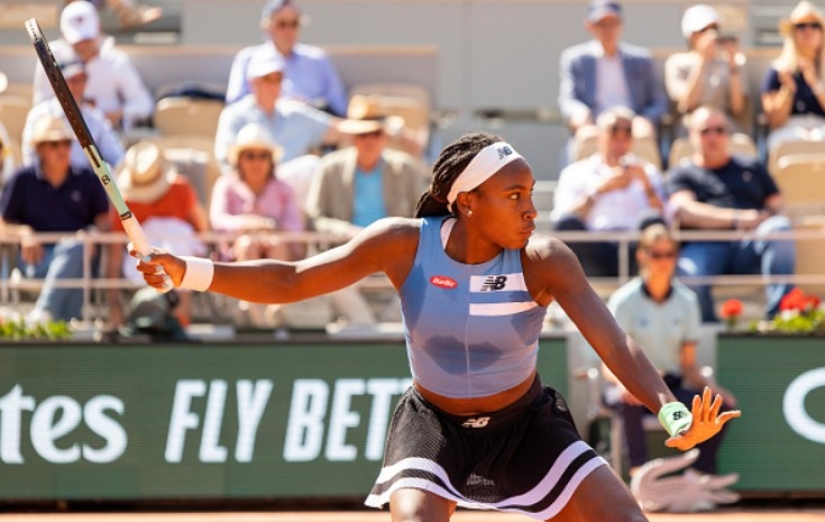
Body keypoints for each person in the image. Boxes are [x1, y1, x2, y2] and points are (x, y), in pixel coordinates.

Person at [135, 131, 740, 521]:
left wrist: (670, 410)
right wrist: (187, 269)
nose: (531, 208)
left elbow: (614, 340)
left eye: (531, 193)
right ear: (468, 201)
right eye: (515, 195)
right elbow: (292, 279)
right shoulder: (403, 245)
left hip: (527, 424)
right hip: (435, 427)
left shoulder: (545, 260)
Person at [605, 223, 738, 481]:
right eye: (656, 254)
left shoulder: (687, 301)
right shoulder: (624, 300)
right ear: (641, 255)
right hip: (631, 387)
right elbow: (608, 361)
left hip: (669, 389)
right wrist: (625, 384)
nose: (664, 261)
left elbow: (688, 365)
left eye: (669, 254)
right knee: (628, 399)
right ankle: (639, 478)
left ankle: (697, 478)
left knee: (720, 407)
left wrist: (712, 387)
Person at [667, 106, 796, 322]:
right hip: (705, 244)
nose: (713, 136)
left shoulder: (752, 166)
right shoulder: (682, 173)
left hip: (750, 243)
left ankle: (779, 320)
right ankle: (709, 331)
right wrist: (738, 219)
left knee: (780, 229)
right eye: (705, 130)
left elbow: (779, 207)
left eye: (719, 130)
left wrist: (767, 219)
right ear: (692, 135)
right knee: (689, 273)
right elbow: (685, 211)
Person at [0, 115, 109, 322]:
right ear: (40, 149)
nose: (62, 149)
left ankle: (44, 316)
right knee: (75, 263)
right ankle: (66, 329)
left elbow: (104, 220)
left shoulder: (87, 178)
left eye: (66, 143)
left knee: (77, 248)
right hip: (36, 264)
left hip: (80, 263)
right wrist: (24, 233)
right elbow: (2, 224)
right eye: (54, 144)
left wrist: (91, 235)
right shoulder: (22, 179)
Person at [551, 107, 667, 277]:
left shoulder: (648, 173)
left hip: (636, 250)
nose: (620, 138)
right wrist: (599, 191)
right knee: (569, 223)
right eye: (614, 131)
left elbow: (665, 220)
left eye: (627, 132)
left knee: (653, 221)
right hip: (594, 247)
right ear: (600, 136)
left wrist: (647, 186)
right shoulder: (575, 173)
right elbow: (562, 220)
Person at [210, 123, 305, 327]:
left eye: (263, 156)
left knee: (277, 243)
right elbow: (218, 221)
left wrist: (271, 230)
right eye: (250, 156)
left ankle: (277, 306)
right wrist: (252, 225)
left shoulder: (284, 188)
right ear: (239, 160)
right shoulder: (225, 184)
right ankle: (251, 309)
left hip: (279, 250)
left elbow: (295, 226)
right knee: (247, 244)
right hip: (235, 255)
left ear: (270, 161)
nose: (257, 162)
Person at [107, 141, 208, 328]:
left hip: (183, 259)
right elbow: (114, 256)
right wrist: (113, 302)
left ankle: (180, 321)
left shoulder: (181, 189)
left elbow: (203, 231)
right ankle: (149, 320)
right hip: (142, 268)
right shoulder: (124, 203)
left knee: (180, 243)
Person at [558, 0, 668, 161]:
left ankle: (647, 184)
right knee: (586, 137)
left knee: (644, 135)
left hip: (632, 125)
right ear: (589, 25)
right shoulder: (576, 59)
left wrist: (645, 118)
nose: (607, 29)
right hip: (596, 125)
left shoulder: (642, 60)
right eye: (601, 23)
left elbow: (659, 101)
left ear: (620, 24)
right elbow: (568, 99)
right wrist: (580, 113)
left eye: (612, 23)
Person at [214, 50, 347, 170]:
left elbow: (338, 130)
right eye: (266, 79)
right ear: (252, 82)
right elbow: (226, 160)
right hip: (248, 190)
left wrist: (365, 123)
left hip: (288, 190)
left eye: (277, 78)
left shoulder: (295, 113)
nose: (272, 85)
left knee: (311, 166)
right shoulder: (235, 115)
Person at [33, 1, 154, 130]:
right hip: (65, 139)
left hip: (109, 135)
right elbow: (41, 105)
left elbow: (144, 104)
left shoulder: (116, 60)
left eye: (87, 39)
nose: (83, 45)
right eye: (78, 40)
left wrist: (118, 115)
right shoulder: (50, 58)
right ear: (64, 34)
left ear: (98, 27)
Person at [224, 0, 348, 116]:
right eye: (282, 24)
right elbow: (234, 106)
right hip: (263, 131)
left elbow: (338, 106)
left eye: (294, 24)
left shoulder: (318, 59)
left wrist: (310, 107)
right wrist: (277, 105)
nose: (288, 30)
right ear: (268, 26)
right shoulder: (247, 59)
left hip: (311, 133)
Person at [22, 60, 124, 169]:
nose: (78, 86)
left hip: (84, 183)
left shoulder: (95, 118)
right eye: (73, 80)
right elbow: (30, 157)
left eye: (82, 80)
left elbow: (116, 156)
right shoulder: (39, 114)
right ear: (59, 83)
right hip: (46, 181)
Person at [665, 4, 747, 134]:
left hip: (725, 125)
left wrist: (732, 64)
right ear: (691, 35)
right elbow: (687, 104)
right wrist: (703, 61)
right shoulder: (677, 62)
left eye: (714, 28)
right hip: (691, 126)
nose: (711, 35)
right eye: (704, 30)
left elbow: (737, 108)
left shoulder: (734, 62)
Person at [761, 1, 825, 152]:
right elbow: (775, 122)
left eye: (814, 25)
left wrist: (816, 83)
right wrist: (788, 89)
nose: (808, 31)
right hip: (788, 133)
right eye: (801, 26)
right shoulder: (777, 71)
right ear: (792, 33)